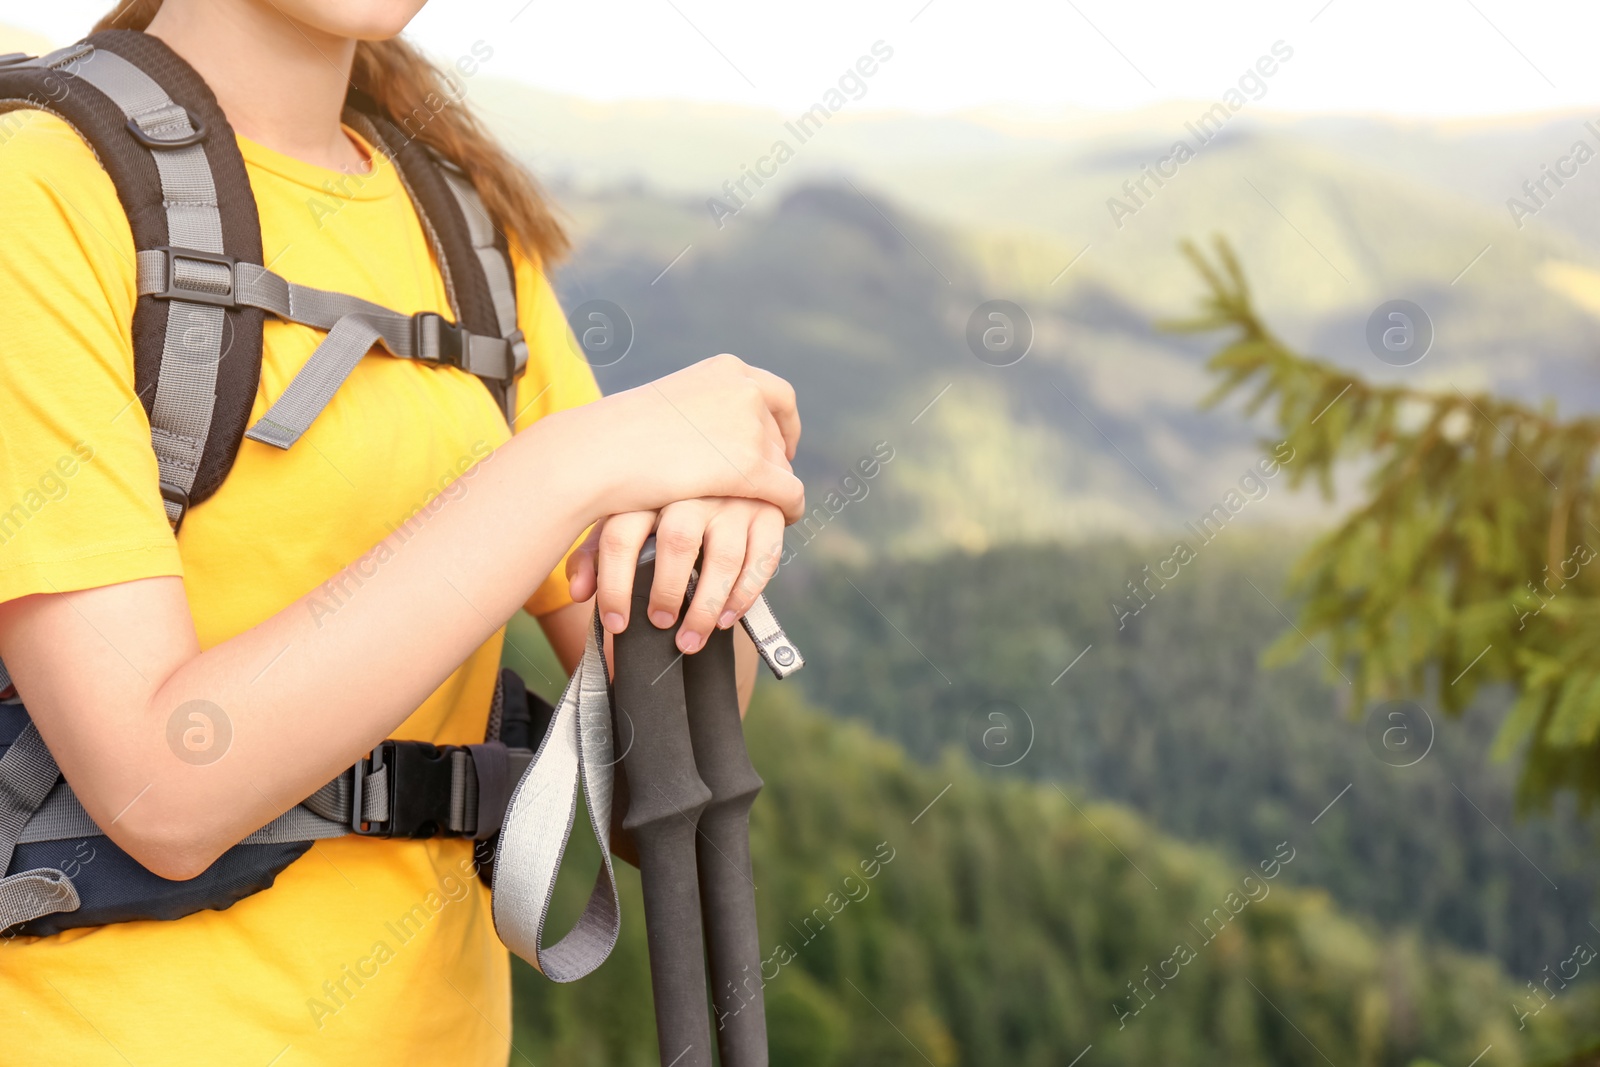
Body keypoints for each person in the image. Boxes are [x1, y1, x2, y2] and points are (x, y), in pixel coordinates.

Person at [0, 0, 803, 1063]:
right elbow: (161, 786)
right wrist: (569, 468)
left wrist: (694, 534)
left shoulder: (463, 226)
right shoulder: (37, 192)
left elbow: (668, 770)